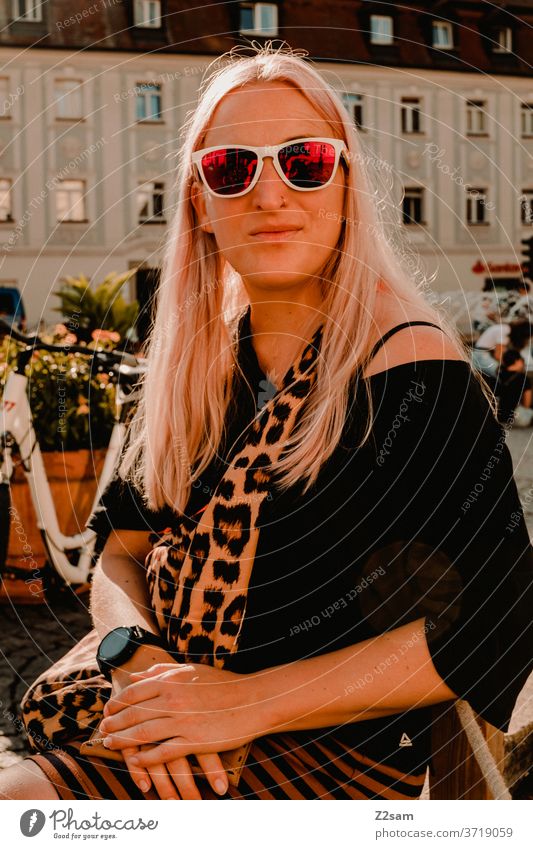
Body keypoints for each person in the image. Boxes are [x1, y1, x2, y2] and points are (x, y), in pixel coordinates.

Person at [2, 42, 532, 802]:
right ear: (199, 201)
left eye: (304, 160)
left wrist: (243, 701)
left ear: (345, 184)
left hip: (324, 770)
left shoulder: (411, 367)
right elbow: (117, 552)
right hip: (172, 734)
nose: (269, 192)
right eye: (231, 168)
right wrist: (138, 657)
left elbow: (501, 615)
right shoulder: (200, 369)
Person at [494, 349, 533, 427]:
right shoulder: (523, 378)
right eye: (522, 360)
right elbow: (527, 404)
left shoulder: (497, 375)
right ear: (517, 361)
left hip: (498, 417)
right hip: (517, 418)